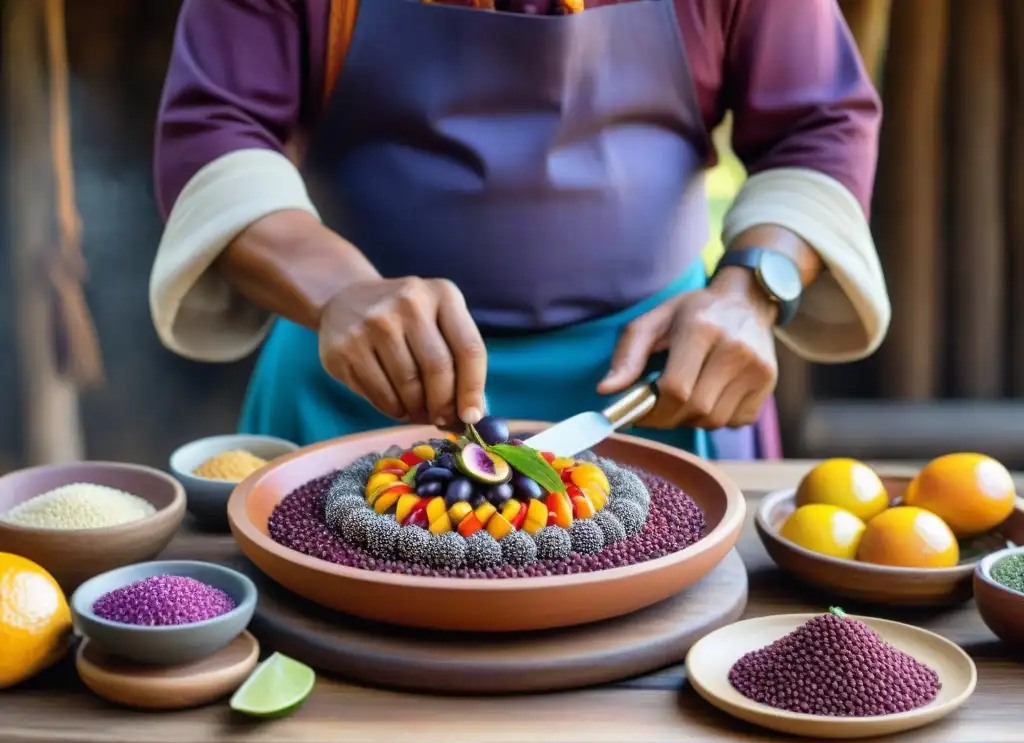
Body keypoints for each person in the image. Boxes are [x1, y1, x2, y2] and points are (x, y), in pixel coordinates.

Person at [149, 0, 890, 459]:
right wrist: (341, 291)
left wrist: (753, 289)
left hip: (658, 388)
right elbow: (217, 127)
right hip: (353, 380)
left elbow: (818, 124)